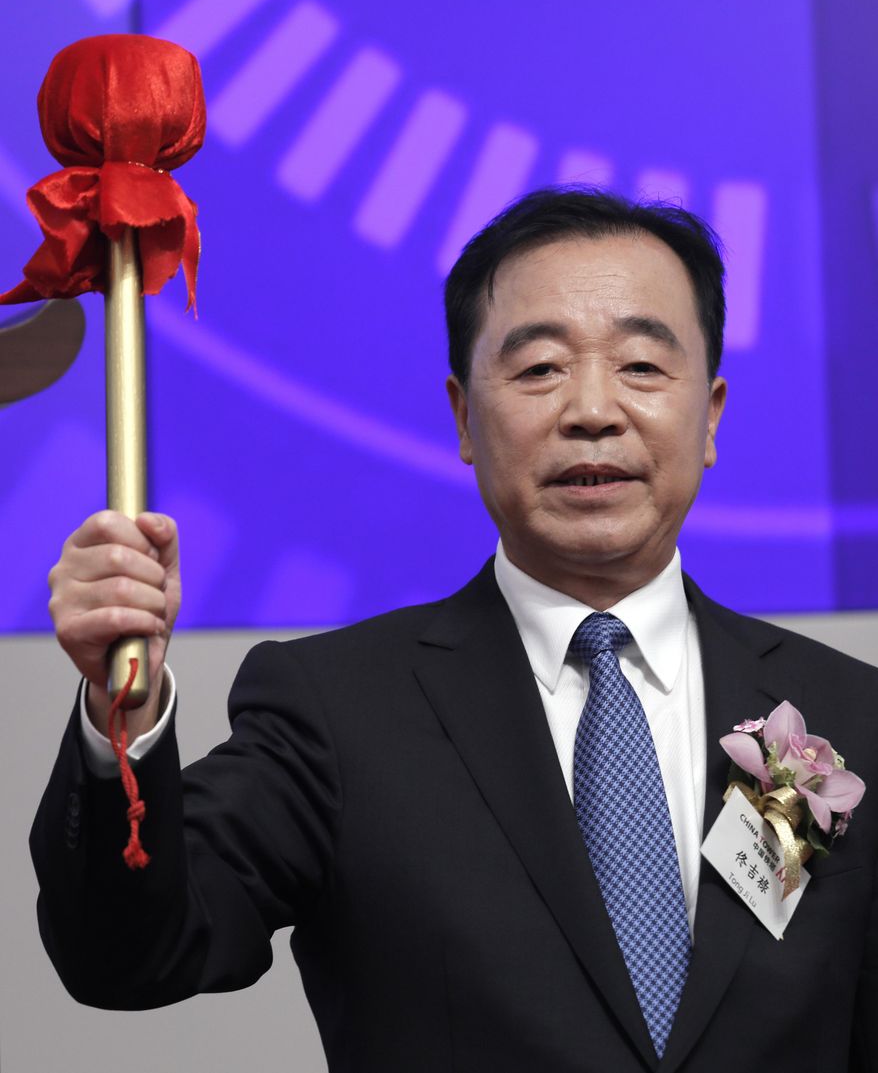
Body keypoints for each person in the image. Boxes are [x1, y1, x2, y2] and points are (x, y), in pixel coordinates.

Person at [32, 188, 878, 1072]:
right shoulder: (336, 710)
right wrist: (115, 712)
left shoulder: (850, 717)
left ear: (709, 415)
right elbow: (130, 953)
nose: (592, 408)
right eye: (540, 368)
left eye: (641, 366)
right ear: (464, 416)